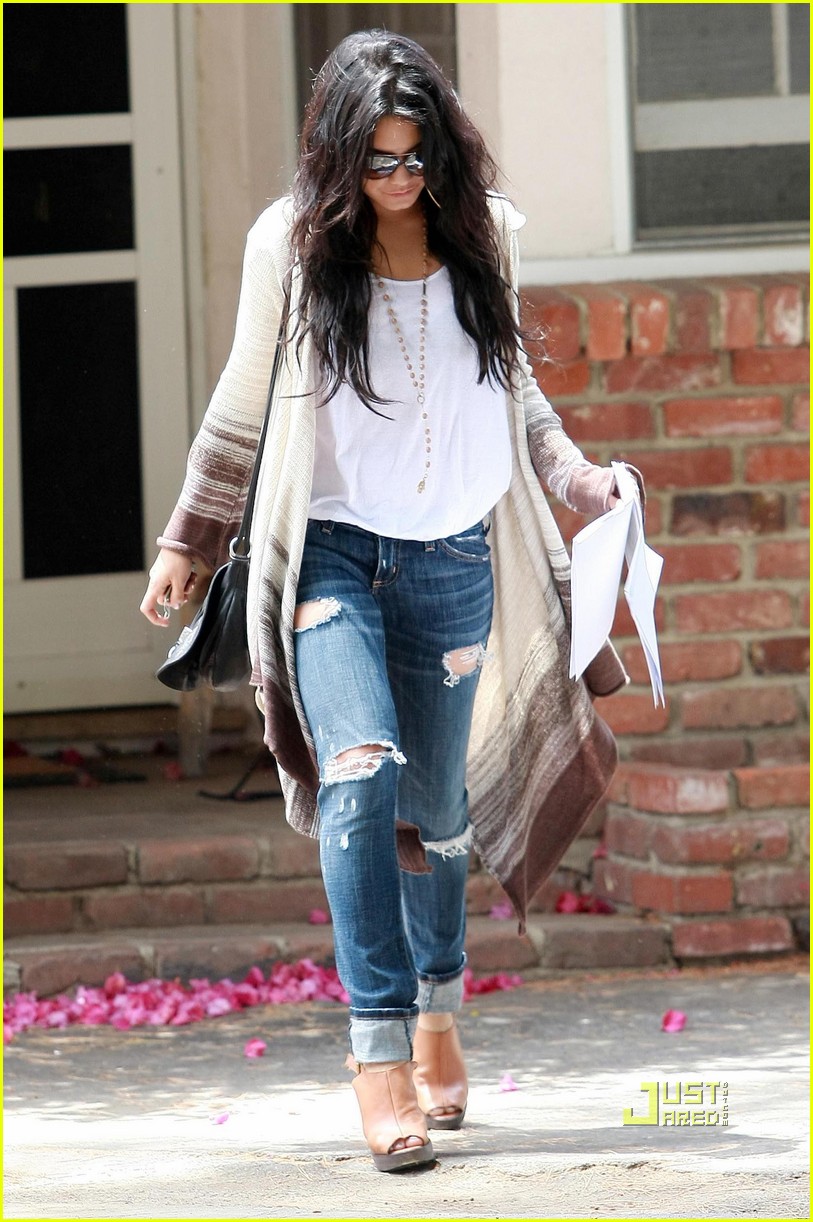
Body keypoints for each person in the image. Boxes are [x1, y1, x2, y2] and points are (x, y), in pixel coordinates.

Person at [141, 30, 643, 1173]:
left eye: (418, 159)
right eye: (377, 161)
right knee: (360, 773)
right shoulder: (292, 245)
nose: (400, 181)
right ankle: (378, 1056)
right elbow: (240, 394)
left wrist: (583, 484)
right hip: (330, 558)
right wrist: (191, 538)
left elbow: (519, 400)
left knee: (441, 817)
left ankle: (438, 1010)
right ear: (337, 154)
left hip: (454, 560)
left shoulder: (488, 238)